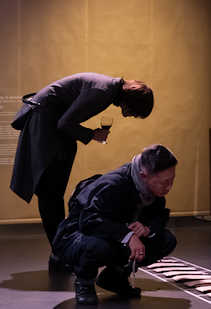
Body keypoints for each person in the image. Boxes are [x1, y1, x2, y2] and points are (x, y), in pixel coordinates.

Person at [10, 72, 154, 271]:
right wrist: (93, 134)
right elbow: (64, 123)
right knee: (50, 194)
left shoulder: (107, 89)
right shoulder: (102, 92)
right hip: (47, 129)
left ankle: (60, 252)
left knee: (52, 194)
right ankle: (60, 254)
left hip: (51, 130)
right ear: (130, 102)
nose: (130, 116)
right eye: (135, 112)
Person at [52, 144, 178, 304]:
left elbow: (160, 216)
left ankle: (114, 278)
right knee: (98, 247)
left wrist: (147, 229)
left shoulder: (153, 190)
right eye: (164, 181)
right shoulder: (115, 184)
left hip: (111, 233)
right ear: (143, 175)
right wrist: (128, 235)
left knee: (166, 240)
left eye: (172, 179)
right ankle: (84, 282)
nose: (169, 186)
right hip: (76, 234)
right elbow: (89, 221)